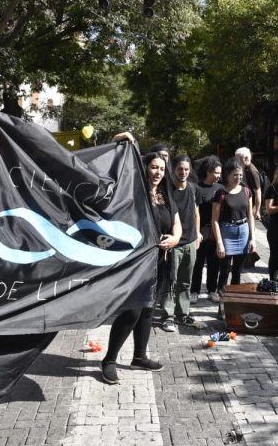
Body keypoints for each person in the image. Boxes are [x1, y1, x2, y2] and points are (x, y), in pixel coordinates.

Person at [102, 144, 181, 385]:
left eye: (161, 168)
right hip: (136, 262)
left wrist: (175, 238)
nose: (157, 172)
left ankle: (139, 356)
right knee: (133, 310)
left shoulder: (166, 195)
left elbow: (177, 223)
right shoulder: (135, 190)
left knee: (148, 308)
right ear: (145, 167)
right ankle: (109, 360)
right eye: (153, 167)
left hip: (160, 261)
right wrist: (127, 137)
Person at [161, 155, 202, 331]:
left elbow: (196, 213)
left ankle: (182, 314)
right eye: (180, 169)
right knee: (171, 281)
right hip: (174, 243)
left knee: (186, 281)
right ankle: (168, 316)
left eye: (186, 169)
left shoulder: (193, 189)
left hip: (190, 242)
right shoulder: (167, 191)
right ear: (174, 169)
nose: (183, 172)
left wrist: (198, 233)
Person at [212, 157, 256, 293]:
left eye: (240, 175)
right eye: (235, 175)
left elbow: (250, 216)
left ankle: (234, 302)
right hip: (226, 232)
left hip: (243, 232)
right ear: (227, 174)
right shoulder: (221, 193)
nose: (238, 178)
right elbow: (214, 220)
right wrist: (219, 242)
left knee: (237, 271)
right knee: (224, 271)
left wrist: (252, 238)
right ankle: (222, 304)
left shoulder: (246, 191)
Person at [191, 156, 223, 303]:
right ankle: (194, 291)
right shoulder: (197, 188)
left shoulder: (220, 188)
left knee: (214, 263)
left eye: (220, 173)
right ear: (208, 171)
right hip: (200, 232)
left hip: (215, 232)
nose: (218, 176)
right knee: (198, 263)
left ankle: (212, 290)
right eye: (216, 172)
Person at [235, 147, 262, 221]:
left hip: (250, 206)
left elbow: (258, 192)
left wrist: (257, 210)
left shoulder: (252, 172)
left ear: (246, 158)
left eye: (238, 158)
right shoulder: (244, 167)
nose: (236, 161)